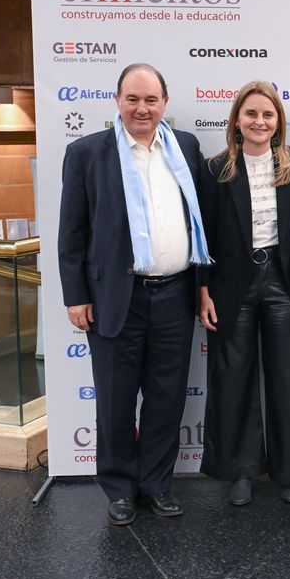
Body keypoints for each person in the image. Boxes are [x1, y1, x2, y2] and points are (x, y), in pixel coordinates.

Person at [58, 63, 211, 526]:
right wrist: (75, 295)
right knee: (115, 398)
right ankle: (120, 488)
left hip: (176, 293)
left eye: (151, 100)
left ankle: (157, 485)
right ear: (118, 101)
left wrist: (203, 286)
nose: (142, 108)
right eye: (133, 99)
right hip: (112, 297)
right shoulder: (86, 152)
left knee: (166, 399)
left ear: (165, 102)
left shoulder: (185, 146)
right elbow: (72, 232)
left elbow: (199, 224)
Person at [197, 81, 290, 506]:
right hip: (233, 286)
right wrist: (203, 290)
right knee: (233, 380)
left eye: (268, 115)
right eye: (251, 114)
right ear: (236, 120)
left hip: (284, 283)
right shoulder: (215, 169)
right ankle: (240, 470)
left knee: (289, 376)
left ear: (278, 122)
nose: (259, 122)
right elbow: (203, 236)